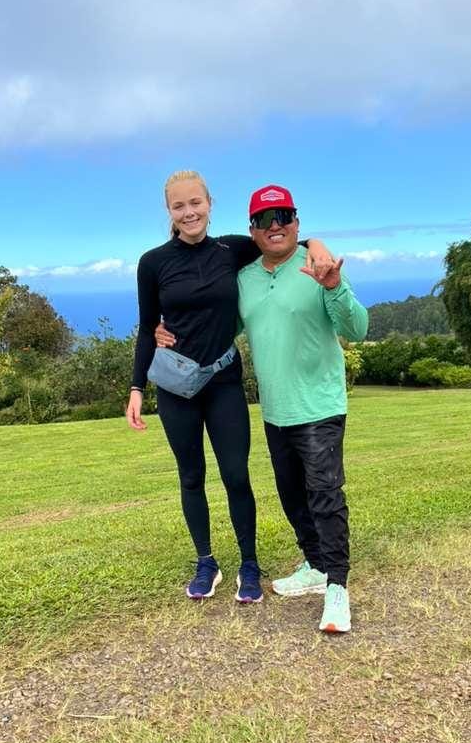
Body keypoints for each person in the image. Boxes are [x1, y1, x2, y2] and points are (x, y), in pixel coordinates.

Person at [157, 183, 368, 633]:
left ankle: (337, 587)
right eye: (264, 220)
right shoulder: (247, 278)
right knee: (293, 497)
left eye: (284, 217)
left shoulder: (319, 265)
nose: (276, 227)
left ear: (297, 222)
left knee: (325, 497)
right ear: (251, 230)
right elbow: (216, 325)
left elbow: (358, 327)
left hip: (320, 406)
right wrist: (167, 332)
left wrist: (333, 286)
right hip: (275, 410)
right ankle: (314, 565)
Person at [126, 170, 333, 606]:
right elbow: (148, 328)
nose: (189, 213)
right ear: (170, 211)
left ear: (209, 203)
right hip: (176, 387)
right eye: (179, 206)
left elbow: (282, 240)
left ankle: (249, 563)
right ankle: (206, 561)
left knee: (236, 476)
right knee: (191, 477)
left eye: (195, 203)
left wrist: (316, 245)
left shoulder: (232, 249)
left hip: (222, 381)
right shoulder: (153, 262)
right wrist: (136, 389)